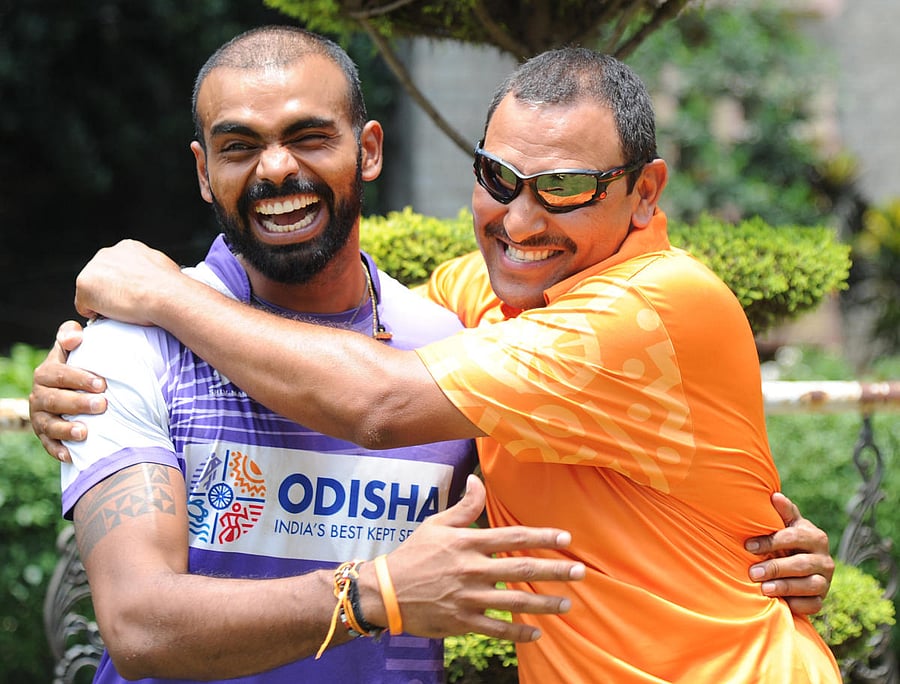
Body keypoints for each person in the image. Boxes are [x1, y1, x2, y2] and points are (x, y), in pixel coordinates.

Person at [29, 45, 840, 682]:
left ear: (646, 192)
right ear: (203, 171)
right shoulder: (473, 304)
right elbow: (344, 331)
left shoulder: (654, 306)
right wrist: (98, 361)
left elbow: (378, 402)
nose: (520, 222)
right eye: (499, 178)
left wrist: (162, 296)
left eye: (565, 186)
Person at [27, 26, 593, 684]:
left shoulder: (448, 345)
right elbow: (140, 624)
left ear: (368, 150)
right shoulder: (130, 346)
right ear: (204, 173)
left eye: (309, 137)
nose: (274, 169)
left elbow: (566, 510)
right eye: (239, 147)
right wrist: (372, 593)